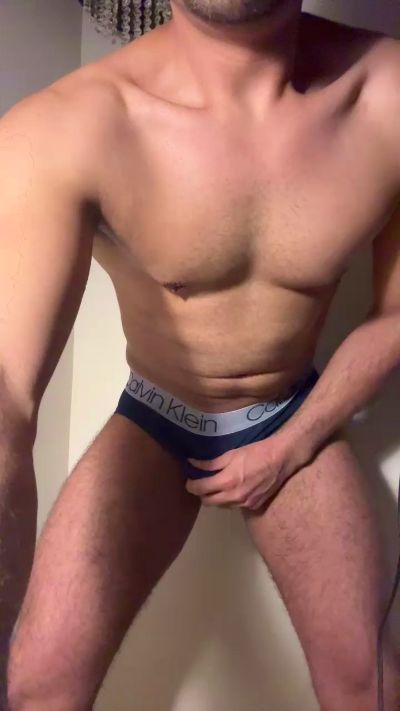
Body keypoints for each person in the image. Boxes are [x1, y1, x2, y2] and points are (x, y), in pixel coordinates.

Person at [2, 0, 400, 708]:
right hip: (157, 415)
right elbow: (7, 398)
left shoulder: (388, 98)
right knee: (39, 684)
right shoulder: (71, 127)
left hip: (291, 411)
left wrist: (292, 444)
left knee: (369, 685)